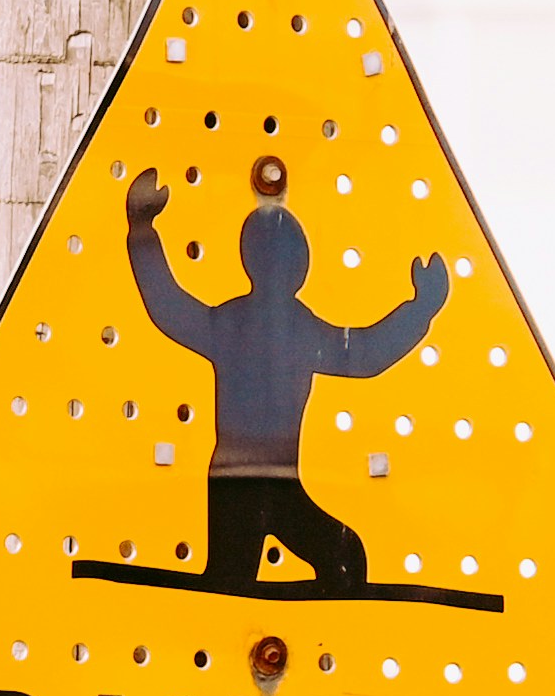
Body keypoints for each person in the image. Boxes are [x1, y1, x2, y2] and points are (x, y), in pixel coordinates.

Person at [125, 152, 447, 591]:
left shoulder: (248, 324)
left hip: (261, 483)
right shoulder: (281, 327)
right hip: (243, 483)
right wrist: (421, 310)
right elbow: (366, 352)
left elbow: (170, 307)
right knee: (331, 560)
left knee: (330, 560)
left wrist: (143, 233)